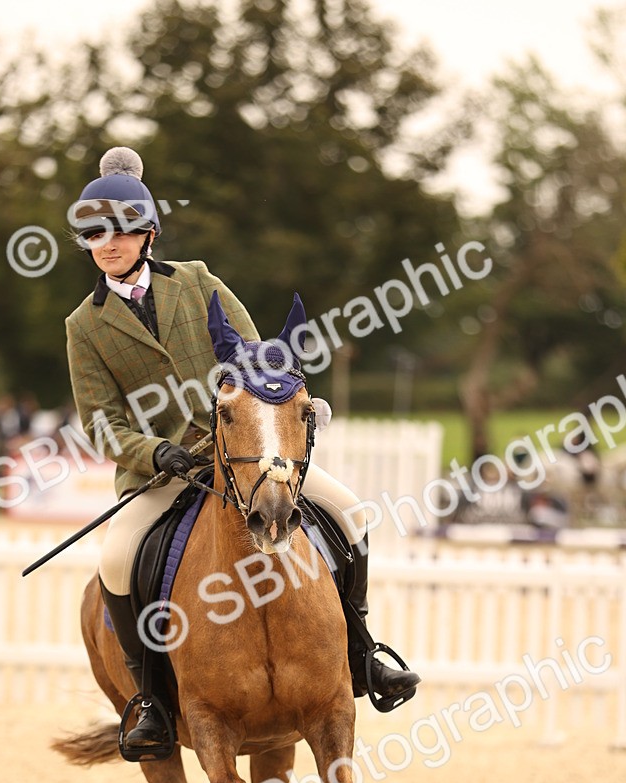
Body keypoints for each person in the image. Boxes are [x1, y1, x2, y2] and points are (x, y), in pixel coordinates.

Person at [66, 146, 419, 751]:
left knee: (352, 514)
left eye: (120, 231)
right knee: (117, 560)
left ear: (148, 234)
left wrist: (280, 409)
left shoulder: (198, 282)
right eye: (94, 233)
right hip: (163, 476)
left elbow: (261, 359)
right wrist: (157, 454)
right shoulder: (85, 325)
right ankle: (152, 701)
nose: (107, 243)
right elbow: (101, 423)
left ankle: (362, 654)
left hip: (248, 460)